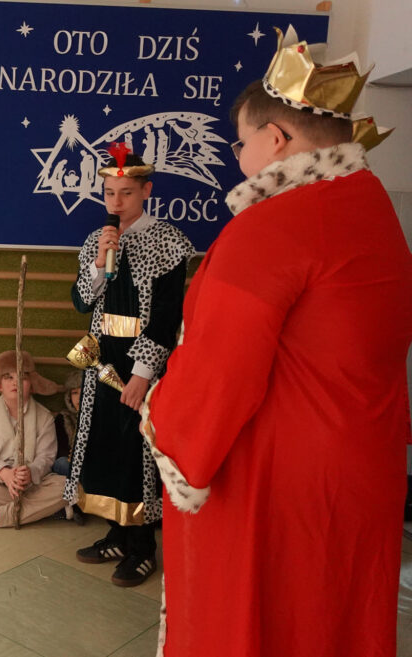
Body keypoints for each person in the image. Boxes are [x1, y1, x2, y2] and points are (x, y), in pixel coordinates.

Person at [143, 27, 412, 657]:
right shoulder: (374, 210)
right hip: (361, 471)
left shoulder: (272, 226)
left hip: (278, 484)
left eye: (241, 143)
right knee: (336, 622)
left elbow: (218, 373)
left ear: (277, 139)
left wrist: (163, 423)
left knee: (257, 622)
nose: (239, 157)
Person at [64, 146, 194, 587]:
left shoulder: (167, 242)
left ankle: (142, 547)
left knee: (135, 449)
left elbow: (167, 316)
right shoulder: (95, 240)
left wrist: (142, 375)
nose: (116, 202)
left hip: (140, 362)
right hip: (102, 358)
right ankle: (116, 534)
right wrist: (99, 263)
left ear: (146, 192)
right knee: (102, 446)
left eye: (126, 193)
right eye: (109, 193)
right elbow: (82, 302)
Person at [0, 350, 68, 528]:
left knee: (68, 488)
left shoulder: (45, 417)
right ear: (0, 385)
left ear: (32, 385)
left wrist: (30, 473)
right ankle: (45, 510)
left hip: (33, 483)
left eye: (22, 377)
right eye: (8, 377)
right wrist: (5, 473)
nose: (15, 382)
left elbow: (46, 457)